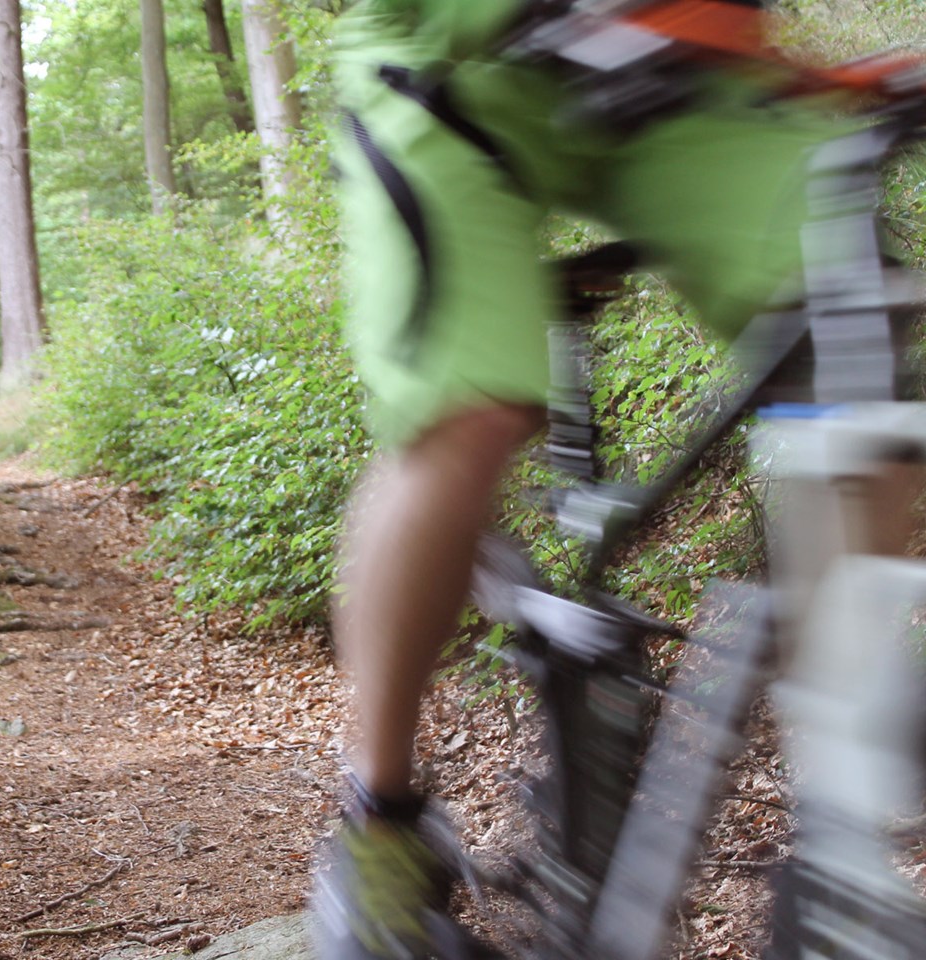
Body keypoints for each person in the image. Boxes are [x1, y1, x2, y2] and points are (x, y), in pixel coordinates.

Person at [310, 1, 855, 957]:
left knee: (849, 335)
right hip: (456, 52)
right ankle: (381, 819)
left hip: (685, 79)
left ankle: (845, 834)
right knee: (470, 412)